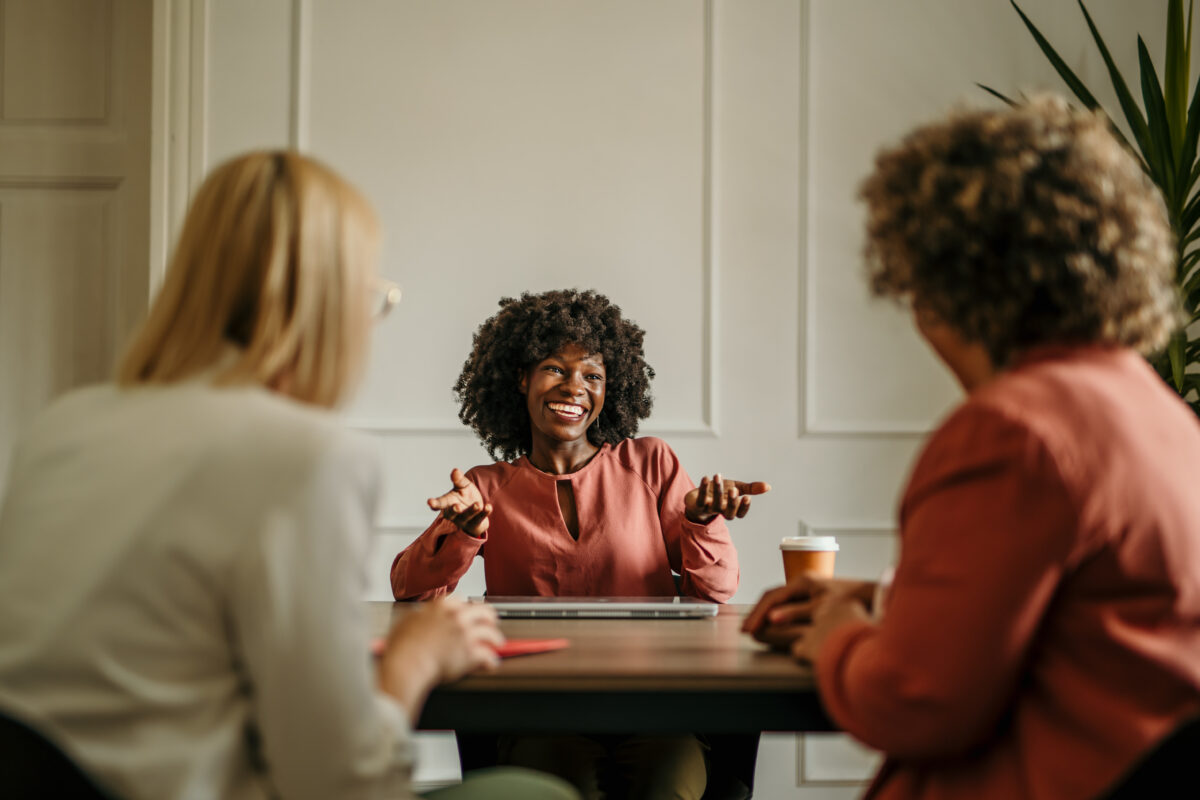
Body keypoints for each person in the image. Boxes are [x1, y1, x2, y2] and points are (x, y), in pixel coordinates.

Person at [0, 151, 578, 800]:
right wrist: (415, 662)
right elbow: (340, 783)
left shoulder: (62, 428)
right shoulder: (308, 457)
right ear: (327, 307)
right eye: (373, 299)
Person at [743, 94, 1200, 799]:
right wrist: (891, 602)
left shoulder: (1013, 431)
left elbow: (913, 702)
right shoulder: (1156, 412)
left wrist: (836, 633)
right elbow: (1085, 625)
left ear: (940, 275)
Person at [391, 288, 770, 799]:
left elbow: (716, 592)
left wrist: (700, 520)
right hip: (540, 713)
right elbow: (411, 595)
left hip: (656, 712)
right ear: (521, 378)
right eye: (555, 368)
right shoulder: (485, 487)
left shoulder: (651, 464)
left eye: (592, 375)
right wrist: (463, 533)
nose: (574, 387)